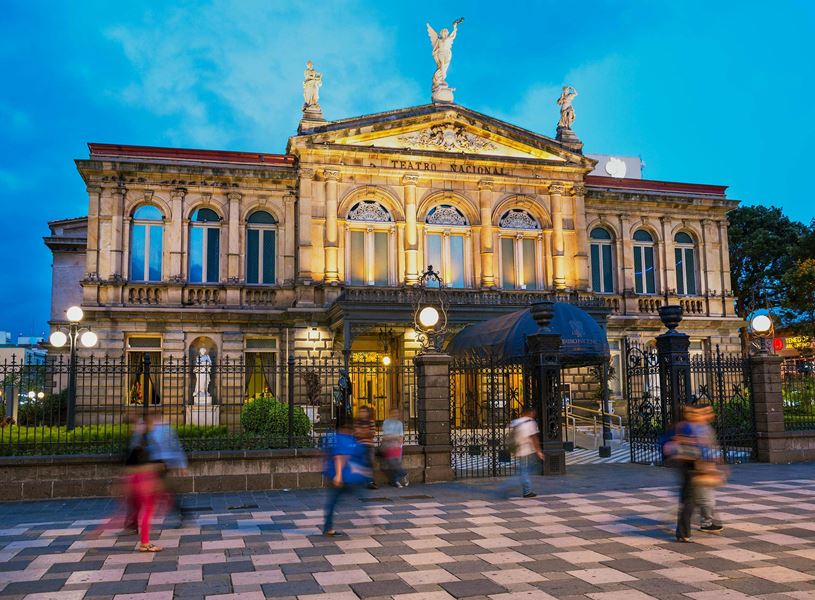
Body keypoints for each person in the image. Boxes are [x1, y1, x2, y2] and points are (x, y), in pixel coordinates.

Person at [665, 404, 725, 542]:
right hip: (690, 465)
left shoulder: (697, 426)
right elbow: (685, 445)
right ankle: (685, 531)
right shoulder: (687, 426)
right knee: (691, 500)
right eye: (694, 412)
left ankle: (686, 530)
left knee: (691, 498)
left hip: (693, 465)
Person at [322, 420, 371, 536]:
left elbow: (327, 454)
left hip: (341, 477)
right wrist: (338, 475)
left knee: (332, 503)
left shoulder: (333, 438)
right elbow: (340, 457)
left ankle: (327, 527)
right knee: (359, 499)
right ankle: (374, 521)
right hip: (344, 478)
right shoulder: (345, 439)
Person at [124, 424, 163, 552]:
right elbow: (139, 468)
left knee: (143, 511)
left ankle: (144, 541)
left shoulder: (136, 449)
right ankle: (144, 542)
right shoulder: (143, 450)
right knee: (147, 512)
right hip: (144, 483)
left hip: (139, 482)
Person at [147, 415, 189, 526]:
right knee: (162, 491)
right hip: (161, 463)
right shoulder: (165, 429)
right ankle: (180, 512)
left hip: (160, 463)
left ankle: (180, 512)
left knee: (160, 491)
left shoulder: (158, 429)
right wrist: (181, 463)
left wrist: (181, 463)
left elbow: (173, 446)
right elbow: (176, 446)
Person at [510, 407, 544, 498]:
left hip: (518, 449)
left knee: (525, 469)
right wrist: (539, 452)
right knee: (525, 470)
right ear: (530, 413)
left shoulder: (516, 422)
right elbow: (534, 438)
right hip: (526, 450)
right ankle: (526, 490)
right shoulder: (530, 422)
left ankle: (523, 486)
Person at [381, 408, 408, 488]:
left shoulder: (399, 423)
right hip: (388, 446)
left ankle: (395, 481)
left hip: (397, 446)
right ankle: (404, 474)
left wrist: (394, 438)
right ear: (390, 413)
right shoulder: (386, 422)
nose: (395, 414)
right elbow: (385, 437)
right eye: (393, 413)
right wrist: (395, 437)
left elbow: (401, 436)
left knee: (396, 464)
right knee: (392, 464)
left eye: (397, 413)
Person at [355, 405, 378, 489]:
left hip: (369, 445)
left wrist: (362, 432)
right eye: (361, 412)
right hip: (360, 445)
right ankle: (369, 481)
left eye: (364, 411)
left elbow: (372, 433)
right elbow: (356, 434)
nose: (363, 413)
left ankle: (369, 481)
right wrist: (365, 433)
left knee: (370, 462)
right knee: (363, 463)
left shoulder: (371, 422)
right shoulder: (357, 422)